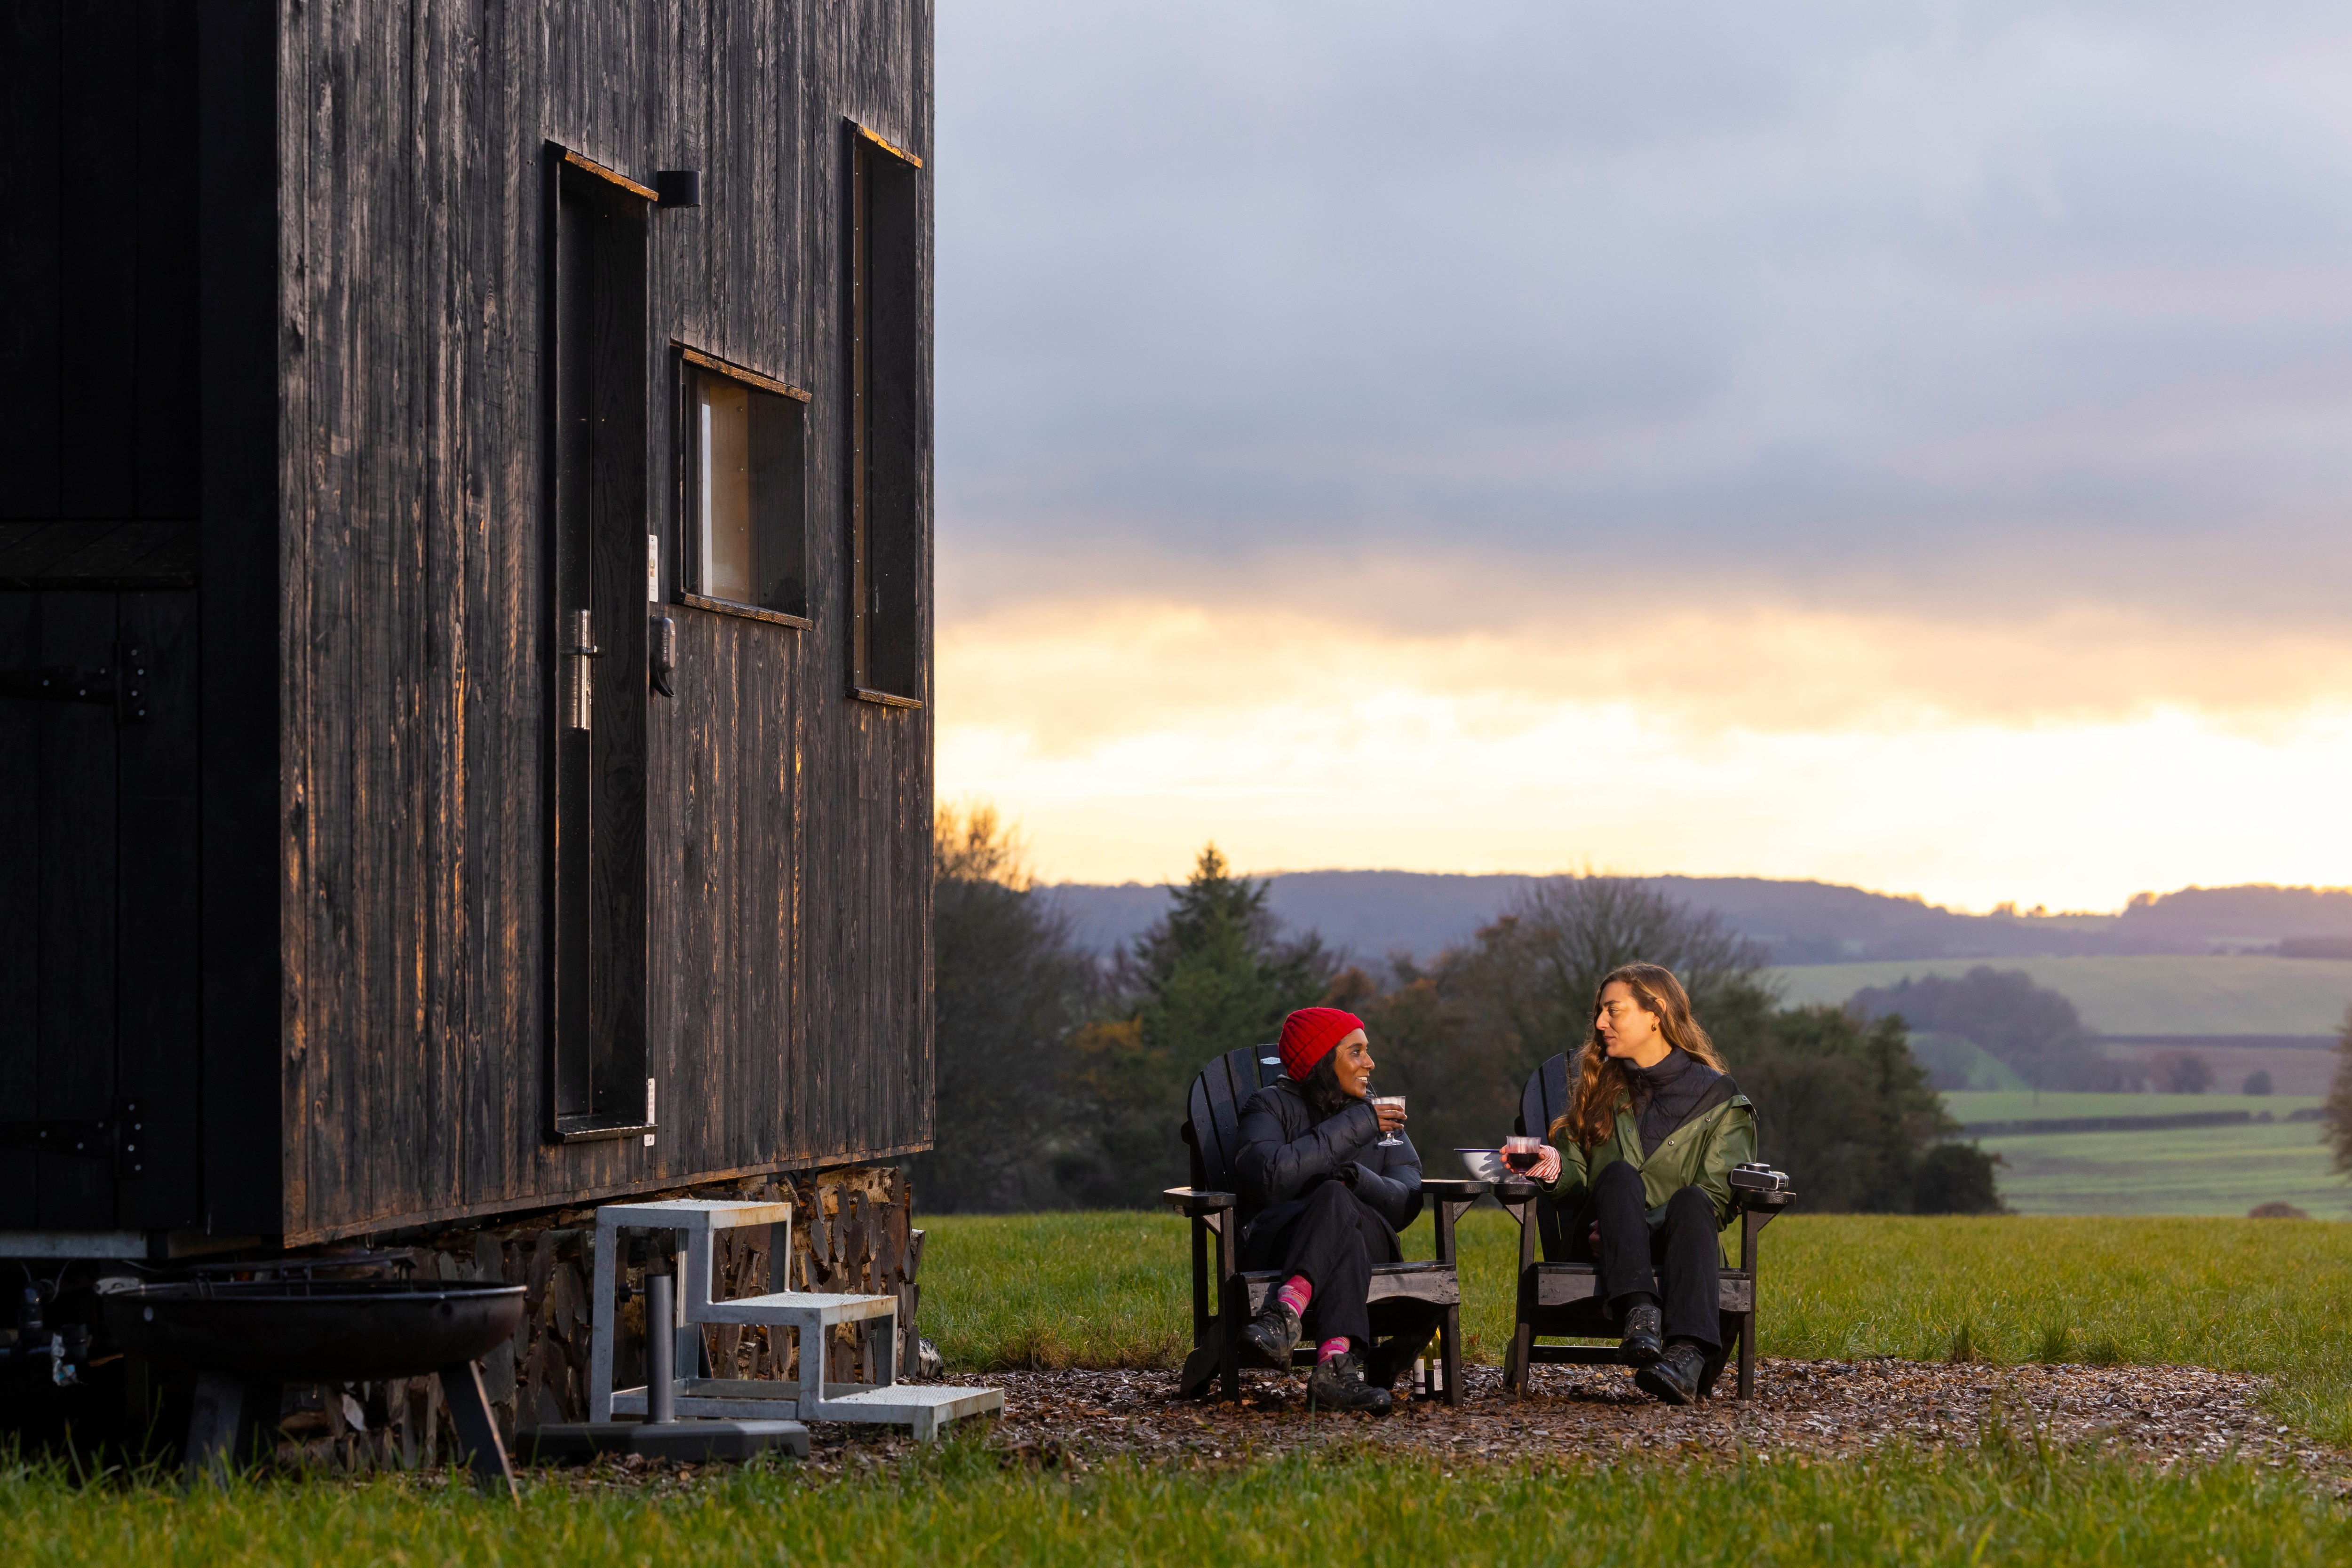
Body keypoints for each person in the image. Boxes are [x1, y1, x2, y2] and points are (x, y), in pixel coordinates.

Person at [1519, 962, 1756, 1404]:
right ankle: (1639, 1311)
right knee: (1618, 1176)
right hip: (1594, 1243)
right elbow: (1576, 1180)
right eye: (1599, 1012)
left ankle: (1685, 1356)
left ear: (1656, 1013)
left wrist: (1636, 1229)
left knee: (1693, 1200)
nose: (1600, 1023)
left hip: (1679, 1245)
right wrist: (1552, 1167)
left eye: (1613, 1010)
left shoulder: (1720, 1100)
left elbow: (1720, 1198)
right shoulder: (1599, 1088)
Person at [1231, 1006, 1429, 1414]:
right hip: (1283, 1244)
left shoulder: (1377, 1111)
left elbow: (1408, 1195)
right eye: (1356, 1052)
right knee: (1336, 1207)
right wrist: (1358, 1128)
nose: (1370, 1063)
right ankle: (1336, 1370)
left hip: (1374, 1240)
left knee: (1340, 1196)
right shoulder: (1268, 1106)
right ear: (1323, 1060)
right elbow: (1269, 1178)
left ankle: (1284, 1313)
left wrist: (1359, 1180)